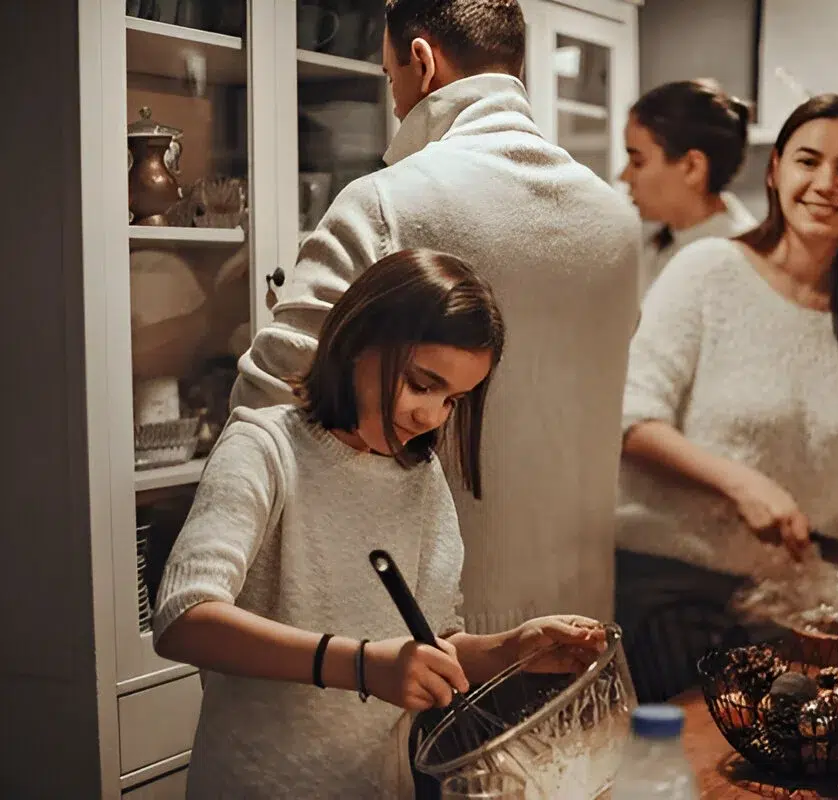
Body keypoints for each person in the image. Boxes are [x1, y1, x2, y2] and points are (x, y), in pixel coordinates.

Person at [230, 0, 640, 635]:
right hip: (580, 621)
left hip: (425, 633)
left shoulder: (387, 203)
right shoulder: (617, 223)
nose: (395, 100)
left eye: (390, 76)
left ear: (422, 61)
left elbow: (264, 404)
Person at [154, 249, 606, 798]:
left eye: (453, 400)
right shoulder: (266, 448)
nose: (431, 416)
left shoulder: (420, 476)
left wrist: (513, 650)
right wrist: (362, 665)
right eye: (420, 384)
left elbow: (429, 645)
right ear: (356, 343)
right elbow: (184, 618)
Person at [614, 94, 838, 702]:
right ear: (775, 171)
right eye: (809, 160)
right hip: (671, 594)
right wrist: (742, 483)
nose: (826, 183)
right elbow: (630, 420)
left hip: (791, 607)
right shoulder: (709, 271)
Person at [620, 79, 758, 295]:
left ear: (692, 167)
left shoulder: (742, 264)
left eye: (638, 162)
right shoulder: (656, 243)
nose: (624, 176)